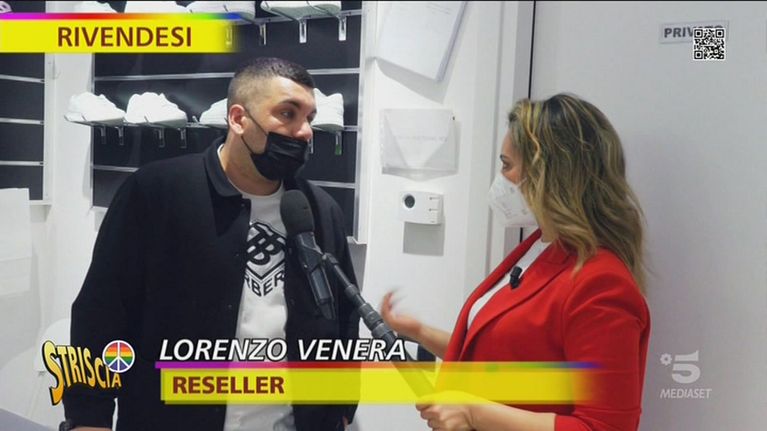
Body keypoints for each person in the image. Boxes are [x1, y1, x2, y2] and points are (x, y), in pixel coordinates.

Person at [62, 58, 359, 431]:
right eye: (288, 114)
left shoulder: (319, 210)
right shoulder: (156, 192)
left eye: (310, 118)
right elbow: (101, 312)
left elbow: (343, 321)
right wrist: (89, 418)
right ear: (238, 119)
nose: (304, 132)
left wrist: (341, 407)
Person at [382, 94, 650, 431]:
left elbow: (604, 427)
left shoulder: (601, 283)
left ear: (549, 173)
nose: (500, 178)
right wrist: (420, 333)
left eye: (507, 165)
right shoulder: (540, 247)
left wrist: (473, 413)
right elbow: (502, 356)